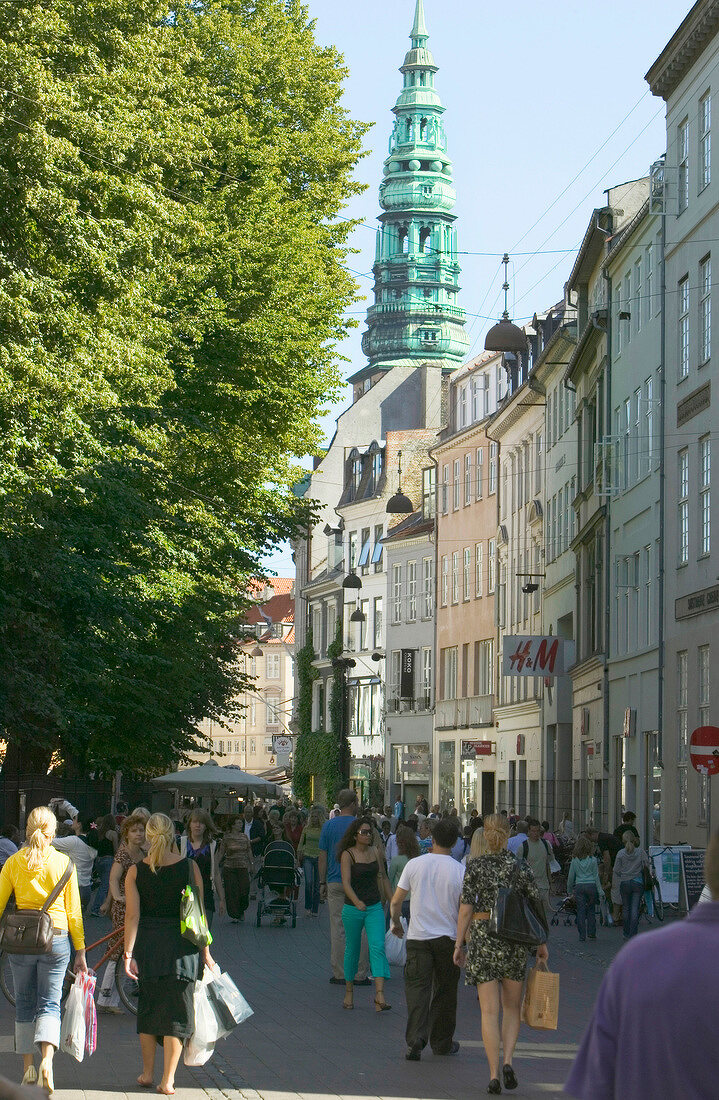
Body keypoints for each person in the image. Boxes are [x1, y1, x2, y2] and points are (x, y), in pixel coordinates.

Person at [566, 829, 719, 1099]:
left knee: (627, 909)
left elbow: (595, 1083)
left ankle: (624, 929)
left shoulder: (638, 960)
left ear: (708, 867)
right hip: (630, 884)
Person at [454, 814, 548, 1096]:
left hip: (483, 938)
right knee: (511, 1008)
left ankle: (494, 1074)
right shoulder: (519, 865)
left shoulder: (476, 866)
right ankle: (508, 1060)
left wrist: (459, 943)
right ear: (507, 836)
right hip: (514, 939)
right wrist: (541, 942)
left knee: (488, 1011)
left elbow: (465, 909)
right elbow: (535, 902)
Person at [124, 813, 215, 1095]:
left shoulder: (136, 871)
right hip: (182, 950)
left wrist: (128, 954)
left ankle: (147, 1073)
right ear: (174, 833)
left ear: (149, 837)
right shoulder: (189, 868)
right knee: (176, 1015)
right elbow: (198, 917)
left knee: (149, 1012)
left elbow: (132, 917)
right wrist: (206, 955)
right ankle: (169, 1080)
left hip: (149, 949)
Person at [0, 806, 87, 1091]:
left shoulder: (13, 862)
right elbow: (74, 912)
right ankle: (47, 1060)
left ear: (28, 829)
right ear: (53, 831)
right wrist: (81, 950)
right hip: (57, 937)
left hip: (22, 940)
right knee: (50, 1003)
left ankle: (27, 1068)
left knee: (24, 1004)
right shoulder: (64, 862)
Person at [390, 818, 465, 1060]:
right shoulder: (459, 870)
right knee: (445, 992)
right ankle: (441, 1042)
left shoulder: (415, 865)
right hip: (448, 938)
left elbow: (396, 900)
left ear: (431, 838)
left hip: (418, 937)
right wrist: (463, 942)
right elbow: (465, 910)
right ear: (454, 843)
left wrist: (395, 922)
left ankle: (415, 1040)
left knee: (417, 990)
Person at [338, 816, 391, 1012]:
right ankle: (349, 991)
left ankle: (379, 995)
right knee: (352, 948)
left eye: (370, 832)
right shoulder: (347, 855)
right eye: (364, 832)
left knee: (377, 946)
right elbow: (346, 882)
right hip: (353, 908)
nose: (368, 835)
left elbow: (383, 877)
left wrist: (392, 901)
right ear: (355, 836)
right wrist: (356, 901)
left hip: (374, 906)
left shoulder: (375, 852)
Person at [319, 788, 370, 985]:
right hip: (359, 882)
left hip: (335, 880)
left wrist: (322, 881)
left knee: (338, 927)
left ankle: (340, 972)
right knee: (361, 927)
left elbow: (322, 856)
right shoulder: (361, 826)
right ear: (354, 804)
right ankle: (359, 972)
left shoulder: (329, 826)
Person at [97, 812, 146, 1012]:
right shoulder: (123, 853)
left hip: (136, 906)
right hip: (124, 908)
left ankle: (111, 996)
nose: (139, 834)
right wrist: (117, 897)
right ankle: (105, 998)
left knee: (126, 950)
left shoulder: (142, 853)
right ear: (126, 834)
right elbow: (113, 878)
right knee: (118, 951)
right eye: (134, 831)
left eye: (141, 830)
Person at [180, 810, 224, 927]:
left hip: (206, 894)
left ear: (206, 826)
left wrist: (221, 899)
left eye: (201, 823)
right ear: (189, 824)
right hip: (185, 894)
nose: (197, 825)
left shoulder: (212, 846)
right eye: (194, 822)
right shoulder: (181, 843)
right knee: (186, 935)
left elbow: (216, 873)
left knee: (203, 935)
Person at [52, 812, 98, 914]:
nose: (72, 821)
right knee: (78, 925)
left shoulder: (73, 841)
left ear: (79, 824)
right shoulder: (90, 842)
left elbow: (48, 841)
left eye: (74, 819)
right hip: (86, 889)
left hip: (73, 889)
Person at [612, 831, 649, 940]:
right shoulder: (641, 852)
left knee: (626, 908)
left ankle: (626, 933)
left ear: (623, 841)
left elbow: (616, 870)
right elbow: (646, 865)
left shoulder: (620, 853)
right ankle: (633, 934)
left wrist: (624, 873)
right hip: (637, 882)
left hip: (625, 883)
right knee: (634, 908)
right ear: (634, 839)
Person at [568, 835, 604, 942]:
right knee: (591, 910)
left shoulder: (574, 861)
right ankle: (592, 933)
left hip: (579, 886)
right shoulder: (593, 860)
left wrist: (569, 890)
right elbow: (596, 876)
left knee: (581, 910)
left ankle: (582, 935)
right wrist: (600, 890)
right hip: (591, 885)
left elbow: (571, 877)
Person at [216, 818, 252, 921]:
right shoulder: (226, 838)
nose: (241, 825)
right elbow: (221, 852)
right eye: (238, 823)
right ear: (233, 825)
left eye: (241, 823)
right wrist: (215, 865)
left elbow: (249, 851)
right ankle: (235, 914)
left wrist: (252, 864)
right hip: (229, 867)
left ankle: (242, 909)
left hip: (242, 867)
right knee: (232, 892)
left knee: (244, 890)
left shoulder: (244, 837)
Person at [520, 819, 553, 913]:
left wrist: (550, 882)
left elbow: (548, 864)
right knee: (532, 916)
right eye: (533, 831)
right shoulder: (523, 847)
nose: (535, 833)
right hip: (530, 887)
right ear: (528, 832)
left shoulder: (545, 844)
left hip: (544, 886)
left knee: (543, 918)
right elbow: (518, 868)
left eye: (538, 831)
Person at [388, 826, 420, 923]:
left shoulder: (396, 860)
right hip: (414, 901)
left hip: (399, 900)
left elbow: (389, 881)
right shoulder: (418, 860)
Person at [90, 813, 119, 915]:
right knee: (105, 885)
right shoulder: (112, 833)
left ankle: (104, 907)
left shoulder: (100, 833)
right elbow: (115, 849)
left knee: (103, 884)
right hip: (108, 859)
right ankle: (96, 908)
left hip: (99, 860)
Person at [297, 807, 324, 917]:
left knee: (317, 884)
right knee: (308, 883)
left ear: (319, 818)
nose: (313, 819)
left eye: (316, 817)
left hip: (319, 857)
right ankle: (307, 907)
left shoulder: (323, 829)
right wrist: (299, 854)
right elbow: (301, 842)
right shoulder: (306, 828)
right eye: (312, 817)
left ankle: (315, 909)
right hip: (308, 856)